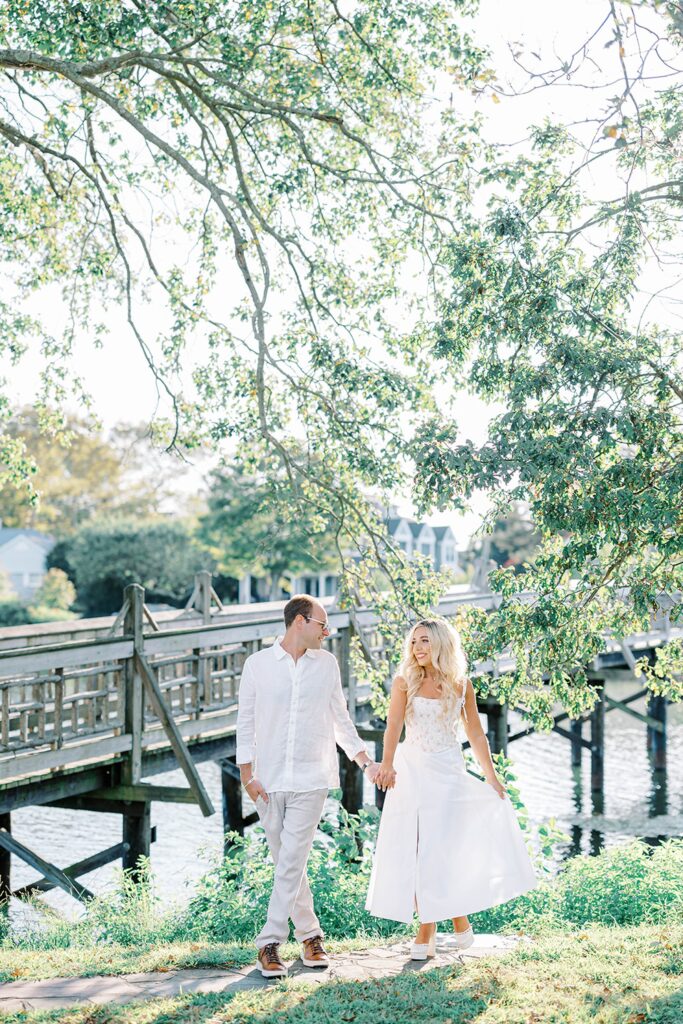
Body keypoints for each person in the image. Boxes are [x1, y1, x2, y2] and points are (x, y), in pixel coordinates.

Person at [366, 617, 537, 959]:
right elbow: (393, 727)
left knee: (437, 850)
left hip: (447, 773)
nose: (418, 648)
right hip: (411, 771)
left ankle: (427, 930)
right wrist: (386, 765)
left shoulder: (461, 685)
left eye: (425, 641)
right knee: (415, 851)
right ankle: (459, 922)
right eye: (414, 642)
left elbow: (475, 734)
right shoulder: (404, 683)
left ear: (442, 644)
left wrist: (491, 776)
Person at [236, 594, 379, 978]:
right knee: (288, 863)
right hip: (266, 782)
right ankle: (311, 935)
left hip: (311, 778)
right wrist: (247, 775)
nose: (326, 632)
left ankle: (269, 942)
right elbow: (245, 723)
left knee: (292, 858)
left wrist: (364, 761)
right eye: (322, 624)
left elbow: (340, 720)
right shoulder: (258, 666)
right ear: (300, 621)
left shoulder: (327, 665)